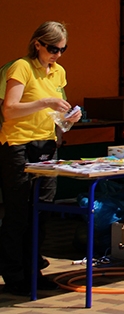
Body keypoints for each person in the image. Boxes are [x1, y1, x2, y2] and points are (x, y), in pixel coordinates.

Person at [0, 21, 82, 295]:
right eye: (53, 49)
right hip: (19, 144)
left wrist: (67, 120)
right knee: (19, 211)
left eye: (62, 50)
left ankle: (34, 270)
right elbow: (10, 110)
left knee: (42, 211)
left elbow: (57, 113)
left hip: (46, 144)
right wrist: (45, 102)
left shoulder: (58, 72)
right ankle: (14, 274)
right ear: (38, 44)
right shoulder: (21, 67)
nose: (57, 55)